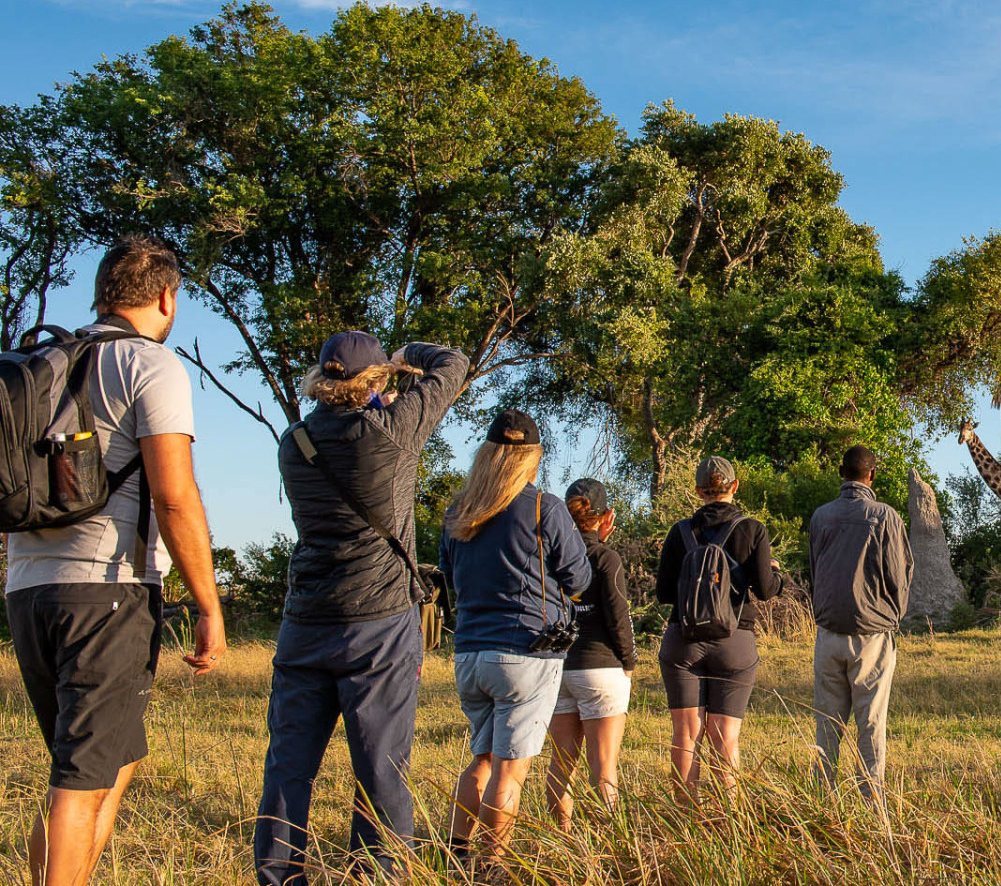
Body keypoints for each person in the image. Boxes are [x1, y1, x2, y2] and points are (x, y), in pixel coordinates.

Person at [5, 235, 226, 886]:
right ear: (167, 296)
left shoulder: (41, 359)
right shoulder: (149, 365)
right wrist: (207, 604)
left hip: (27, 589)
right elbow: (174, 496)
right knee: (79, 781)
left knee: (108, 765)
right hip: (108, 590)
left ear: (101, 292)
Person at [254, 332, 469, 885]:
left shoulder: (292, 441)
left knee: (287, 767)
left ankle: (279, 876)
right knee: (381, 767)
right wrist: (407, 359)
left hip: (305, 619)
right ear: (375, 383)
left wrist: (386, 380)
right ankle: (377, 875)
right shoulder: (391, 434)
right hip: (377, 621)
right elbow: (454, 363)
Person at [438, 410, 590, 871]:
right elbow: (579, 575)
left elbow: (449, 576)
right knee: (511, 769)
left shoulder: (459, 511)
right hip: (526, 651)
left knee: (481, 760)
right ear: (532, 459)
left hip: (469, 652)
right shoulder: (544, 506)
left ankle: (455, 854)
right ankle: (491, 866)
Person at [653, 456, 784, 802]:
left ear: (698, 491)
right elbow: (766, 590)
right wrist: (776, 573)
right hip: (734, 641)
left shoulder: (679, 532)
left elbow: (664, 594)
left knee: (685, 734)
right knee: (725, 735)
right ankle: (731, 818)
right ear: (735, 486)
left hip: (683, 640)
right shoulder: (752, 529)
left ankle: (684, 818)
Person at [808, 446, 913, 812]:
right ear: (872, 476)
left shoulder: (820, 516)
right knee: (870, 726)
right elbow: (900, 575)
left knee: (827, 727)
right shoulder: (885, 516)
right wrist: (893, 618)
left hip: (826, 633)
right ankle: (873, 808)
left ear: (841, 472)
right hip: (871, 634)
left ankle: (823, 806)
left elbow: (814, 569)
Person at [543, 478, 638, 829]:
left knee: (560, 762)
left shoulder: (550, 558)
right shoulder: (605, 558)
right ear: (606, 515)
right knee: (604, 766)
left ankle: (561, 838)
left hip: (559, 666)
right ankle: (613, 842)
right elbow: (619, 616)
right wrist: (629, 661)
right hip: (601, 667)